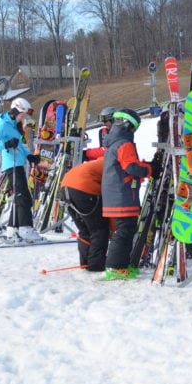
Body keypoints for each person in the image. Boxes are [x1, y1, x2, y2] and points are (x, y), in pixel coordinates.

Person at [101, 108, 151, 279]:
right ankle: (115, 267)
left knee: (126, 230)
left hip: (116, 194)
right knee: (124, 231)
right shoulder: (124, 143)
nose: (133, 132)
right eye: (133, 128)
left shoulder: (113, 142)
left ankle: (121, 264)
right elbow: (131, 166)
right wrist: (149, 169)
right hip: (122, 196)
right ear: (128, 125)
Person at [0, 96, 43, 242]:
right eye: (22, 115)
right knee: (23, 198)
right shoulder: (3, 126)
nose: (23, 118)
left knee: (20, 197)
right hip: (11, 166)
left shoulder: (13, 126)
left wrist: (30, 157)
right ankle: (25, 229)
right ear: (16, 111)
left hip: (18, 164)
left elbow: (17, 146)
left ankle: (12, 229)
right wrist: (5, 145)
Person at [60, 157, 109, 272]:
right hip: (84, 188)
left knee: (85, 229)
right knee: (99, 229)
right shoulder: (112, 166)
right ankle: (96, 264)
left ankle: (85, 262)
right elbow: (110, 198)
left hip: (65, 187)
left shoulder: (99, 163)